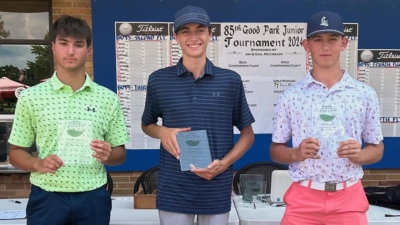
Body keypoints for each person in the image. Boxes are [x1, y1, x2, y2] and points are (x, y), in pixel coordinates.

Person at [8, 15, 129, 225]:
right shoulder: (31, 97)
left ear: (89, 50)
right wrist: (37, 162)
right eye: (64, 43)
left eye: (78, 44)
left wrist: (109, 154)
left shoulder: (108, 99)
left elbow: (120, 154)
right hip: (47, 196)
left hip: (93, 196)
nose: (71, 51)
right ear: (54, 47)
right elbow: (15, 153)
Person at [141, 5, 255, 225]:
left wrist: (224, 164)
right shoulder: (158, 80)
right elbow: (147, 124)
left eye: (200, 29)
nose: (193, 37)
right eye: (185, 31)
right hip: (174, 189)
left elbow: (248, 135)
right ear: (176, 37)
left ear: (210, 34)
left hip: (216, 186)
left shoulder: (230, 80)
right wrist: (163, 131)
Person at [270, 11, 384, 225]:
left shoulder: (364, 94)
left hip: (349, 199)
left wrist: (360, 155)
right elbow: (276, 150)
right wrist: (296, 153)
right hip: (303, 199)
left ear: (344, 43)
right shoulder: (291, 96)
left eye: (332, 39)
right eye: (318, 40)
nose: (325, 47)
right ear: (306, 45)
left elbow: (377, 149)